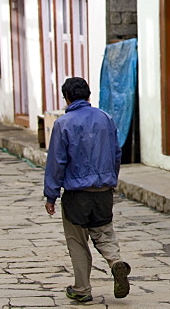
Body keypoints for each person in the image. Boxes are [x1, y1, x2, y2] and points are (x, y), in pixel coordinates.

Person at [44, 77, 131, 302]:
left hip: (76, 194)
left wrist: (51, 195)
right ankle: (116, 262)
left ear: (67, 98)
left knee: (78, 241)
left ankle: (82, 289)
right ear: (88, 95)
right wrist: (111, 180)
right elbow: (116, 154)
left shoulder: (63, 123)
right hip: (102, 190)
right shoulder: (106, 119)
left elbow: (57, 162)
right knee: (104, 232)